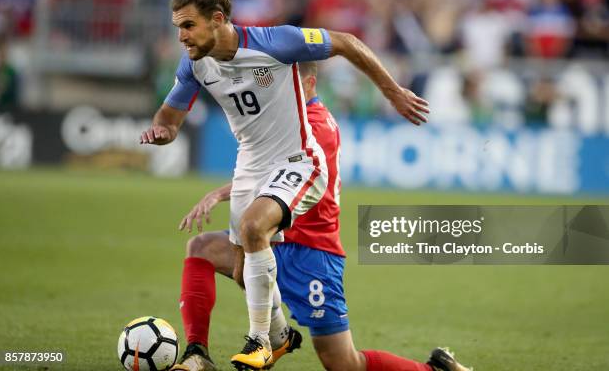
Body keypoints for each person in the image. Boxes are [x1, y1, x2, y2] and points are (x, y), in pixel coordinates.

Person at [140, 0, 429, 370]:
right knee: (230, 263)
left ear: (218, 20)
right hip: (254, 174)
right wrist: (163, 132)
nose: (182, 36)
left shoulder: (280, 49)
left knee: (256, 230)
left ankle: (261, 340)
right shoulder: (195, 65)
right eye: (178, 28)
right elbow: (169, 118)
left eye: (188, 26)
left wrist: (393, 92)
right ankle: (248, 342)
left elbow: (345, 42)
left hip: (304, 202)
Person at [172, 61, 471, 371]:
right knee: (202, 249)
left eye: (290, 86)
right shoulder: (288, 120)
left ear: (311, 83)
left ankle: (435, 370)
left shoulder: (317, 126)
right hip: (274, 239)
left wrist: (220, 194)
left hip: (311, 253)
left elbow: (278, 177)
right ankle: (199, 353)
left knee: (342, 363)